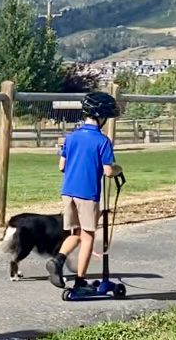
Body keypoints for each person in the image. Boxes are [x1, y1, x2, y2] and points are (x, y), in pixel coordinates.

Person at [47, 92, 122, 289]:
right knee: (88, 235)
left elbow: (61, 166)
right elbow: (108, 171)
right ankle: (80, 281)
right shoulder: (102, 141)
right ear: (102, 117)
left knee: (76, 232)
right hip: (88, 194)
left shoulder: (71, 138)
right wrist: (118, 169)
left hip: (68, 191)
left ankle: (58, 260)